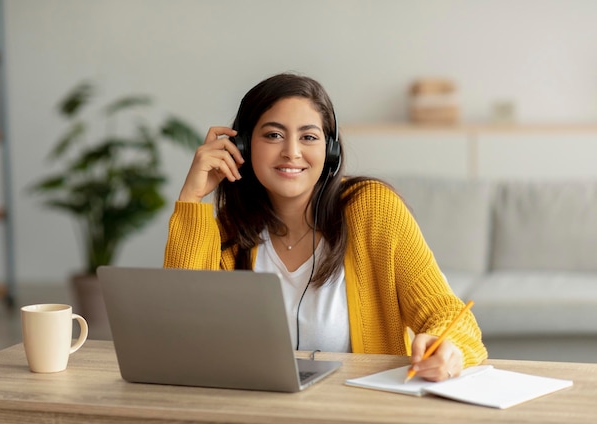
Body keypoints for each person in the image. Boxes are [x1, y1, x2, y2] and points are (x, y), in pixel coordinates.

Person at [164, 72, 487, 381]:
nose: (292, 152)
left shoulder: (373, 209)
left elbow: (446, 312)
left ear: (329, 151)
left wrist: (450, 349)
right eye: (274, 135)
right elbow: (179, 335)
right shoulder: (229, 230)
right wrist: (191, 199)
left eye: (308, 137)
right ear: (244, 146)